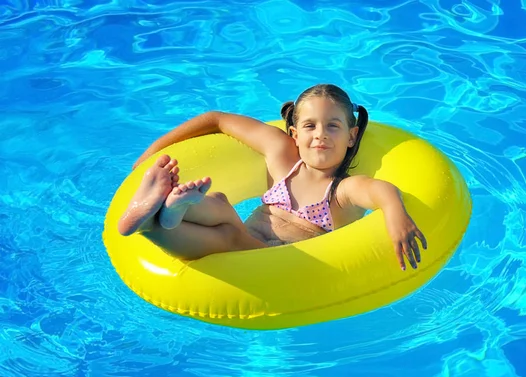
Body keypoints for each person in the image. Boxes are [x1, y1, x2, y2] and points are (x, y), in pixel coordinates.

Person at [117, 84, 427, 270]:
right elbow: (217, 120)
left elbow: (380, 189)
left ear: (351, 136)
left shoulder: (342, 191)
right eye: (310, 126)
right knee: (221, 205)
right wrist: (152, 153)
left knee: (231, 234)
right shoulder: (283, 158)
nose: (320, 135)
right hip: (239, 238)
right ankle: (160, 213)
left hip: (272, 262)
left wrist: (396, 215)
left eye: (333, 126)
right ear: (294, 133)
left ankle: (170, 213)